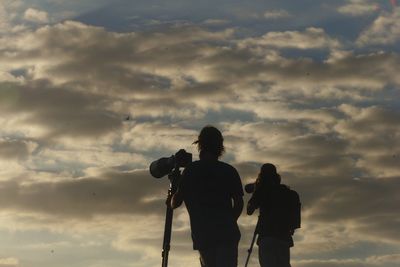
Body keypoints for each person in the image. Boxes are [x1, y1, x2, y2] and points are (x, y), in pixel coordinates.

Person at [170, 125, 244, 267]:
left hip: (204, 235)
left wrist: (174, 188)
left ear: (200, 145)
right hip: (227, 234)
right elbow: (239, 203)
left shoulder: (191, 170)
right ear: (220, 147)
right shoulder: (229, 171)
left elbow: (175, 203)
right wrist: (228, 221)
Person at [247, 163, 300, 267]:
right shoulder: (288, 193)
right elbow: (294, 222)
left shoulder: (262, 191)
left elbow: (249, 210)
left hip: (266, 236)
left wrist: (256, 191)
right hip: (283, 237)